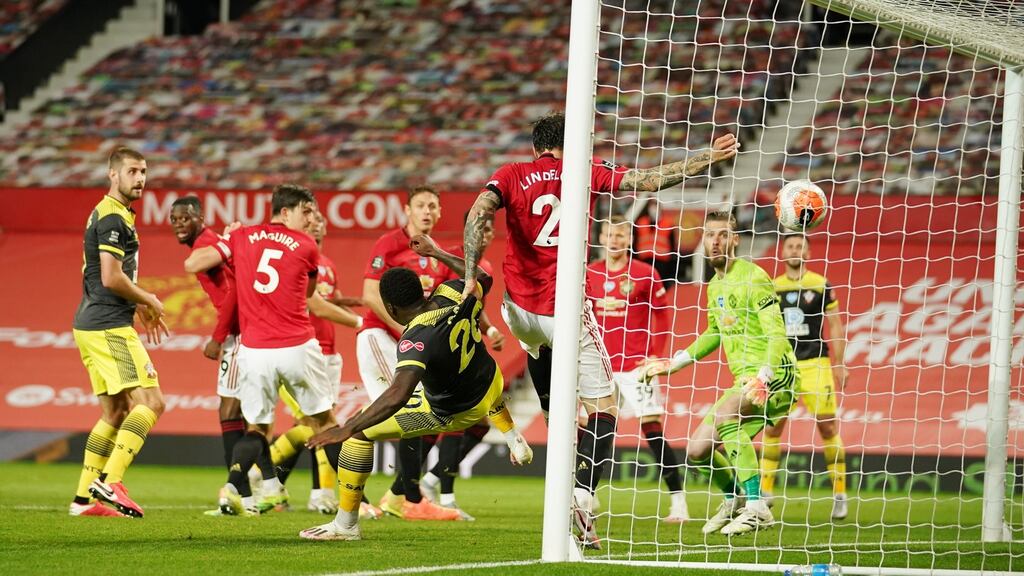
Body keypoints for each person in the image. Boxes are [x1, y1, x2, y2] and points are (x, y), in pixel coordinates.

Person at [461, 111, 738, 547]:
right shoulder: (584, 173)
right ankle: (583, 496)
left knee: (544, 363)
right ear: (568, 145)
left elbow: (479, 212)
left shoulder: (510, 173)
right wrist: (707, 158)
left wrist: (468, 274)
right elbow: (648, 181)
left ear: (537, 147)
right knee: (605, 403)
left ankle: (555, 416)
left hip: (517, 308)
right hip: (562, 305)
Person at [299, 258, 533, 541]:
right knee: (478, 380)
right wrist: (436, 251)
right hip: (490, 381)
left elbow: (398, 394)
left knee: (359, 432)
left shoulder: (415, 340)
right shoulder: (453, 290)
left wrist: (347, 428)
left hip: (455, 412)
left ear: (391, 308)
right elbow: (482, 275)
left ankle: (345, 525)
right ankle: (513, 436)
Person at [184, 184, 346, 516]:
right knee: (326, 424)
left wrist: (228, 240)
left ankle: (233, 485)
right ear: (285, 212)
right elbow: (310, 292)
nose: (311, 219)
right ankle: (350, 506)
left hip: (255, 351)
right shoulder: (305, 245)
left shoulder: (243, 237)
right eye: (306, 212)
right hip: (297, 345)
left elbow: (193, 264)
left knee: (257, 428)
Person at [642, 210, 798, 536]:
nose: (715, 241)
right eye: (710, 235)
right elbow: (715, 331)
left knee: (727, 419)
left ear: (736, 239)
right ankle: (733, 498)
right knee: (698, 451)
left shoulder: (753, 276)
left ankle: (757, 507)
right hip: (744, 380)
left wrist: (765, 376)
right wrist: (676, 362)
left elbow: (777, 334)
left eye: (723, 234)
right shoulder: (714, 286)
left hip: (776, 374)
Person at [69, 146, 168, 518]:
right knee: (152, 402)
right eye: (132, 171)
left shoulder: (113, 212)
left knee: (115, 411)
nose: (140, 178)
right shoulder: (113, 218)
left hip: (91, 322)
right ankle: (109, 482)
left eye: (143, 171)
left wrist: (137, 303)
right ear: (113, 174)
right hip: (107, 324)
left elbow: (109, 275)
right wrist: (149, 299)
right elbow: (111, 277)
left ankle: (82, 500)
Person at [356, 185, 459, 520]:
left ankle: (400, 495)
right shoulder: (389, 244)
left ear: (440, 212)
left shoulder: (437, 254)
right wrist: (404, 330)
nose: (427, 211)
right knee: (412, 406)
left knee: (416, 412)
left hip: (409, 345)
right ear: (407, 210)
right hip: (380, 336)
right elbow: (370, 294)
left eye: (433, 205)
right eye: (420, 205)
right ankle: (408, 498)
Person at [586, 215, 687, 523]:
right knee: (593, 430)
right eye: (609, 234)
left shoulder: (646, 274)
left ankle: (678, 502)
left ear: (629, 240)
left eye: (620, 235)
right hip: (599, 365)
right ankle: (586, 495)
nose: (614, 240)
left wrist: (655, 356)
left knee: (653, 430)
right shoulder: (588, 273)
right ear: (601, 238)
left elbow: (661, 317)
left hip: (635, 365)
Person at [418, 211, 505, 520]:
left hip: (465, 343)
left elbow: (472, 305)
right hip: (445, 347)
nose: (484, 234)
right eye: (479, 227)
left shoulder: (487, 267)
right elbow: (437, 300)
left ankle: (421, 482)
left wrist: (490, 329)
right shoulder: (448, 258)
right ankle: (446, 496)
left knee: (478, 424)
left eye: (489, 228)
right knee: (459, 416)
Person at [760, 233, 849, 519]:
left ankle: (839, 493)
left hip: (816, 364)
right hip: (784, 367)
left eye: (800, 246)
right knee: (773, 428)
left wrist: (840, 363)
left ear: (808, 253)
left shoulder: (821, 284)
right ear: (783, 252)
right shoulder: (773, 288)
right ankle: (765, 492)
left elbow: (835, 325)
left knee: (828, 428)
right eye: (790, 246)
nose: (795, 250)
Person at [169, 196, 245, 489]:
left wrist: (218, 337)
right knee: (246, 413)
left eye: (185, 218)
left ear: (200, 217)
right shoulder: (214, 242)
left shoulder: (208, 246)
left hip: (240, 334)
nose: (179, 225)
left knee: (231, 411)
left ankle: (239, 490)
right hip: (247, 330)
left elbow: (232, 293)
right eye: (174, 220)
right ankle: (264, 484)